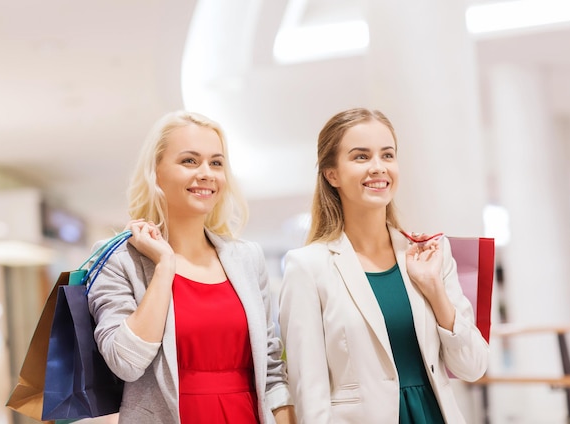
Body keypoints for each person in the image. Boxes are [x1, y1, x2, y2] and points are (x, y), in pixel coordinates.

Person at [278, 108, 489, 423]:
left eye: (387, 155)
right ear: (331, 173)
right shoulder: (307, 267)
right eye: (361, 157)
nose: (378, 168)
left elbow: (472, 366)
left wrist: (434, 290)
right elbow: (309, 390)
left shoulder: (432, 253)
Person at [87, 111, 295, 424]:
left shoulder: (247, 258)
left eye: (216, 162)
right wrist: (165, 266)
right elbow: (125, 361)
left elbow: (272, 371)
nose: (206, 173)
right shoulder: (118, 261)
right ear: (156, 172)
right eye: (189, 161)